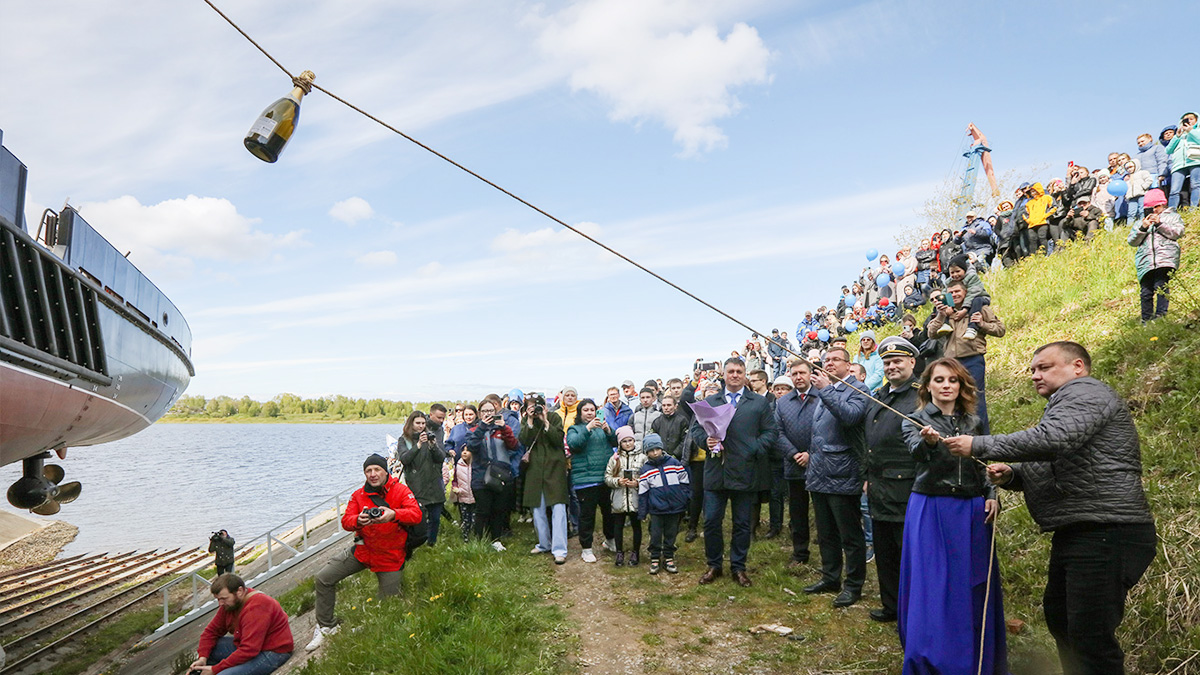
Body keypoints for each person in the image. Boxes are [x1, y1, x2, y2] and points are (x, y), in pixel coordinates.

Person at [946, 342, 1155, 674]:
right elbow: (1058, 457)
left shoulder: (1086, 393)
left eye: (1044, 367)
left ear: (1077, 367)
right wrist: (1013, 474)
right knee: (1062, 620)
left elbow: (1052, 440)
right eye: (1032, 369)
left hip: (1107, 529)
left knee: (1090, 636)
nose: (1034, 375)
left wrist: (979, 444)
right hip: (1082, 529)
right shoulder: (1068, 404)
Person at [899, 358, 1006, 673]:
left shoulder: (974, 422)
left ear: (961, 386)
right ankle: (932, 657)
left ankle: (975, 657)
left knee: (972, 583)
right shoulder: (915, 420)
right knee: (933, 585)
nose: (946, 385)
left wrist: (991, 495)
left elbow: (986, 462)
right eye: (939, 380)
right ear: (928, 385)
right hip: (932, 507)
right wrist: (930, 443)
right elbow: (916, 455)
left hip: (972, 510)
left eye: (953, 380)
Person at [307, 454, 423, 651]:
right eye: (368, 471)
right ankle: (327, 626)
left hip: (390, 556)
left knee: (388, 608)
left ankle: (370, 630)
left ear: (386, 471)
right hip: (363, 551)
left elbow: (416, 515)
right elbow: (346, 522)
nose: (373, 474)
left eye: (377, 469)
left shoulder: (401, 491)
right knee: (323, 578)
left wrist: (394, 514)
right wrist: (357, 521)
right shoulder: (358, 495)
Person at [689, 358, 779, 587]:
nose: (735, 375)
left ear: (745, 374)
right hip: (715, 471)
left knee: (741, 524)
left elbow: (771, 431)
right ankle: (714, 565)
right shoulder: (710, 401)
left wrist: (754, 449)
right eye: (731, 371)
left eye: (740, 371)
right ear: (724, 375)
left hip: (745, 471)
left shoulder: (758, 403)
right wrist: (705, 441)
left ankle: (738, 567)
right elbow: (696, 430)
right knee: (711, 522)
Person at [803, 347, 868, 608]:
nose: (829, 363)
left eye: (835, 360)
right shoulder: (825, 390)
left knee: (849, 535)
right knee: (826, 532)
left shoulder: (858, 389)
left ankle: (853, 585)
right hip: (819, 472)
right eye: (826, 360)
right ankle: (830, 577)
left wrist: (827, 390)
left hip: (843, 473)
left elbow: (851, 417)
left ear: (848, 365)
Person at [862, 338, 921, 624]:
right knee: (885, 553)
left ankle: (913, 610)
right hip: (878, 486)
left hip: (907, 487)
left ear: (912, 362)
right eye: (886, 362)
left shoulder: (922, 395)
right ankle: (891, 606)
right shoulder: (880, 394)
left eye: (898, 361)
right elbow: (869, 438)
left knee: (908, 554)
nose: (891, 366)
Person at [927, 280, 1005, 434]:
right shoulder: (945, 311)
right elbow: (931, 334)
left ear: (965, 293)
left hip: (973, 359)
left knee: (975, 400)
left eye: (957, 291)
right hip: (952, 363)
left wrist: (982, 324)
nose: (954, 295)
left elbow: (1000, 329)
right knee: (954, 401)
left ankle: (982, 440)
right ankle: (960, 439)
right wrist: (941, 316)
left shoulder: (979, 308)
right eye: (951, 292)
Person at [191, 574, 292, 675]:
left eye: (224, 598)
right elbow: (210, 632)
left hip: (273, 652)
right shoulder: (230, 605)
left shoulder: (257, 606)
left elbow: (249, 650)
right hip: (251, 648)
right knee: (209, 649)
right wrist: (202, 659)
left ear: (239, 591)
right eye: (218, 599)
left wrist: (215, 669)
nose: (220, 603)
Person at [774, 358, 819, 569]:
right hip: (793, 465)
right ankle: (800, 553)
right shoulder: (782, 402)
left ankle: (829, 553)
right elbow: (777, 432)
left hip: (820, 464)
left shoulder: (822, 396)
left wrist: (811, 454)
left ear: (810, 374)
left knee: (823, 512)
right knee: (797, 512)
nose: (799, 377)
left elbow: (828, 430)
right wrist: (794, 454)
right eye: (795, 374)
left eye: (802, 373)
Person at [519, 394, 569, 565]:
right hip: (534, 469)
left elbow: (558, 440)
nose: (535, 409)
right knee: (537, 508)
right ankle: (544, 543)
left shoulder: (554, 417)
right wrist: (531, 421)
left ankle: (560, 549)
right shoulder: (526, 420)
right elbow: (524, 440)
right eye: (531, 406)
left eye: (537, 405)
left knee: (559, 507)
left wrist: (546, 421)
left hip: (554, 468)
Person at [566, 398, 618, 563]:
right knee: (587, 515)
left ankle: (610, 541)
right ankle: (586, 548)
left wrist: (609, 430)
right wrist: (588, 428)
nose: (589, 413)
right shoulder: (574, 429)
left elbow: (617, 441)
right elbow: (574, 444)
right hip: (586, 479)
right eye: (586, 410)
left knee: (609, 513)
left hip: (605, 478)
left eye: (592, 410)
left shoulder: (602, 428)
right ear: (580, 413)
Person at [466, 400, 519, 550]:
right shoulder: (474, 430)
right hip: (481, 476)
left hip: (501, 475)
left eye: (491, 411)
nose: (488, 414)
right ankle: (478, 541)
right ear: (479, 414)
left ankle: (496, 540)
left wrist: (504, 429)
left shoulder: (503, 429)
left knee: (499, 509)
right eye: (484, 411)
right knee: (482, 510)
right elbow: (471, 446)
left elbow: (514, 446)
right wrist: (482, 427)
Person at [1129, 188, 1185, 322]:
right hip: (1146, 262)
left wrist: (1160, 224)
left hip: (1165, 258)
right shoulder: (1140, 222)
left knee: (1161, 286)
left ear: (1163, 204)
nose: (1153, 210)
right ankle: (1146, 319)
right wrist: (1143, 228)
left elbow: (1178, 232)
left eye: (1156, 207)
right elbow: (1132, 241)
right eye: (1149, 208)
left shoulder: (1172, 217)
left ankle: (1160, 316)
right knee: (1145, 292)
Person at [637, 433, 690, 575]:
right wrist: (643, 512)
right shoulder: (646, 470)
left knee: (671, 533)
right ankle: (654, 557)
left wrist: (683, 498)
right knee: (655, 534)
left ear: (662, 448)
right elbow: (643, 493)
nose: (655, 453)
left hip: (674, 507)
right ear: (647, 452)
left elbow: (685, 481)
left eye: (657, 449)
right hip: (656, 509)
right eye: (651, 450)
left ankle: (668, 557)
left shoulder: (674, 463)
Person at [395, 410, 447, 548]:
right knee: (419, 519)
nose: (421, 426)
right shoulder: (404, 440)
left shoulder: (431, 437)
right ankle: (417, 543)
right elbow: (404, 459)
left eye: (423, 423)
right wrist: (417, 446)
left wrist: (433, 446)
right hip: (417, 484)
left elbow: (441, 458)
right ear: (411, 423)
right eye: (418, 423)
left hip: (434, 482)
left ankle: (431, 544)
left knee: (435, 518)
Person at [606, 426, 646, 566]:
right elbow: (607, 477)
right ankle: (619, 552)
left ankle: (635, 552)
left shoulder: (642, 458)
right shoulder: (614, 458)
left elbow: (648, 477)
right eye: (624, 441)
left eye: (630, 440)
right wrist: (618, 481)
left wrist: (637, 483)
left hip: (635, 497)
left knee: (636, 525)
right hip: (619, 498)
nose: (628, 443)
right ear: (619, 443)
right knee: (618, 525)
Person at [941, 255, 992, 343]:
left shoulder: (972, 277)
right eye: (952, 273)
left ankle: (972, 327)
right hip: (963, 301)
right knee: (944, 303)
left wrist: (965, 309)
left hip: (980, 298)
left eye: (958, 271)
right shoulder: (949, 281)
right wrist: (948, 306)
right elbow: (945, 293)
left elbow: (972, 293)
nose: (955, 275)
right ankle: (946, 323)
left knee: (977, 300)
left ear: (964, 269)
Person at [1165, 112, 1200, 209]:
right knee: (1174, 190)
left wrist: (1191, 131)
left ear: (1197, 120)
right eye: (1185, 119)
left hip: (1195, 160)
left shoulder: (1197, 130)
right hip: (1179, 164)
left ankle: (1194, 208)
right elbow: (1168, 150)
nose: (1188, 120)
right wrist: (1177, 136)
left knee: (1195, 185)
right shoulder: (1179, 135)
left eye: (1191, 118)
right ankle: (1171, 211)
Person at [651, 394, 689, 461]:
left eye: (669, 405)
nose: (666, 408)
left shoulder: (682, 421)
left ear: (675, 406)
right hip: (660, 458)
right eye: (664, 405)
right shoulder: (657, 421)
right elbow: (653, 439)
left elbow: (685, 440)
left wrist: (675, 454)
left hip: (678, 459)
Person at [449, 449, 475, 542]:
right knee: (465, 519)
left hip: (474, 497)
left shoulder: (476, 465)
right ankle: (465, 537)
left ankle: (474, 537)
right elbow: (455, 480)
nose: (464, 452)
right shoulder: (458, 465)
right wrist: (455, 488)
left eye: (468, 450)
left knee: (474, 519)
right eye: (463, 450)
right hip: (462, 497)